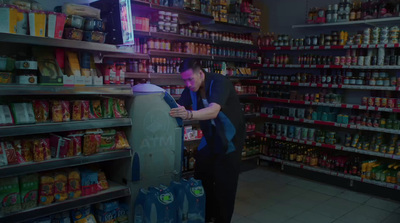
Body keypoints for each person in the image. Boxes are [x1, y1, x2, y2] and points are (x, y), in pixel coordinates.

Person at [169, 59, 245, 223]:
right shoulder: (191, 88)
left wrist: (189, 115)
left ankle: (222, 219)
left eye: (190, 79)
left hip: (229, 139)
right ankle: (207, 215)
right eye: (185, 80)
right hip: (210, 137)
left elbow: (213, 111)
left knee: (225, 185)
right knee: (201, 176)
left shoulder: (219, 82)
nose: (188, 84)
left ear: (201, 74)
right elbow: (178, 105)